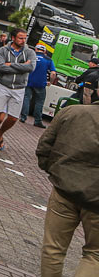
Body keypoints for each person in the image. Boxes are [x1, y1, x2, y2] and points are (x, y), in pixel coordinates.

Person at [35, 102, 98, 276]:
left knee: (53, 249)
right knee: (95, 255)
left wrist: (57, 173)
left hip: (65, 191)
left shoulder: (72, 112)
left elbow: (44, 148)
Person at [0, 28, 36, 153]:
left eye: (25, 38)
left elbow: (31, 67)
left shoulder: (30, 52)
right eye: (20, 38)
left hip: (19, 88)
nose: (23, 40)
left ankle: (0, 134)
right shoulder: (3, 50)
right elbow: (0, 66)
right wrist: (21, 67)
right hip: (3, 85)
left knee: (13, 118)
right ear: (13, 38)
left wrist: (10, 65)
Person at [21, 44, 57, 127]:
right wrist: (50, 82)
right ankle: (37, 120)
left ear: (36, 49)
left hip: (28, 81)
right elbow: (53, 73)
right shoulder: (48, 60)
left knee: (26, 99)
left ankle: (23, 117)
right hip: (40, 83)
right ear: (44, 51)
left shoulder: (30, 57)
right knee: (39, 102)